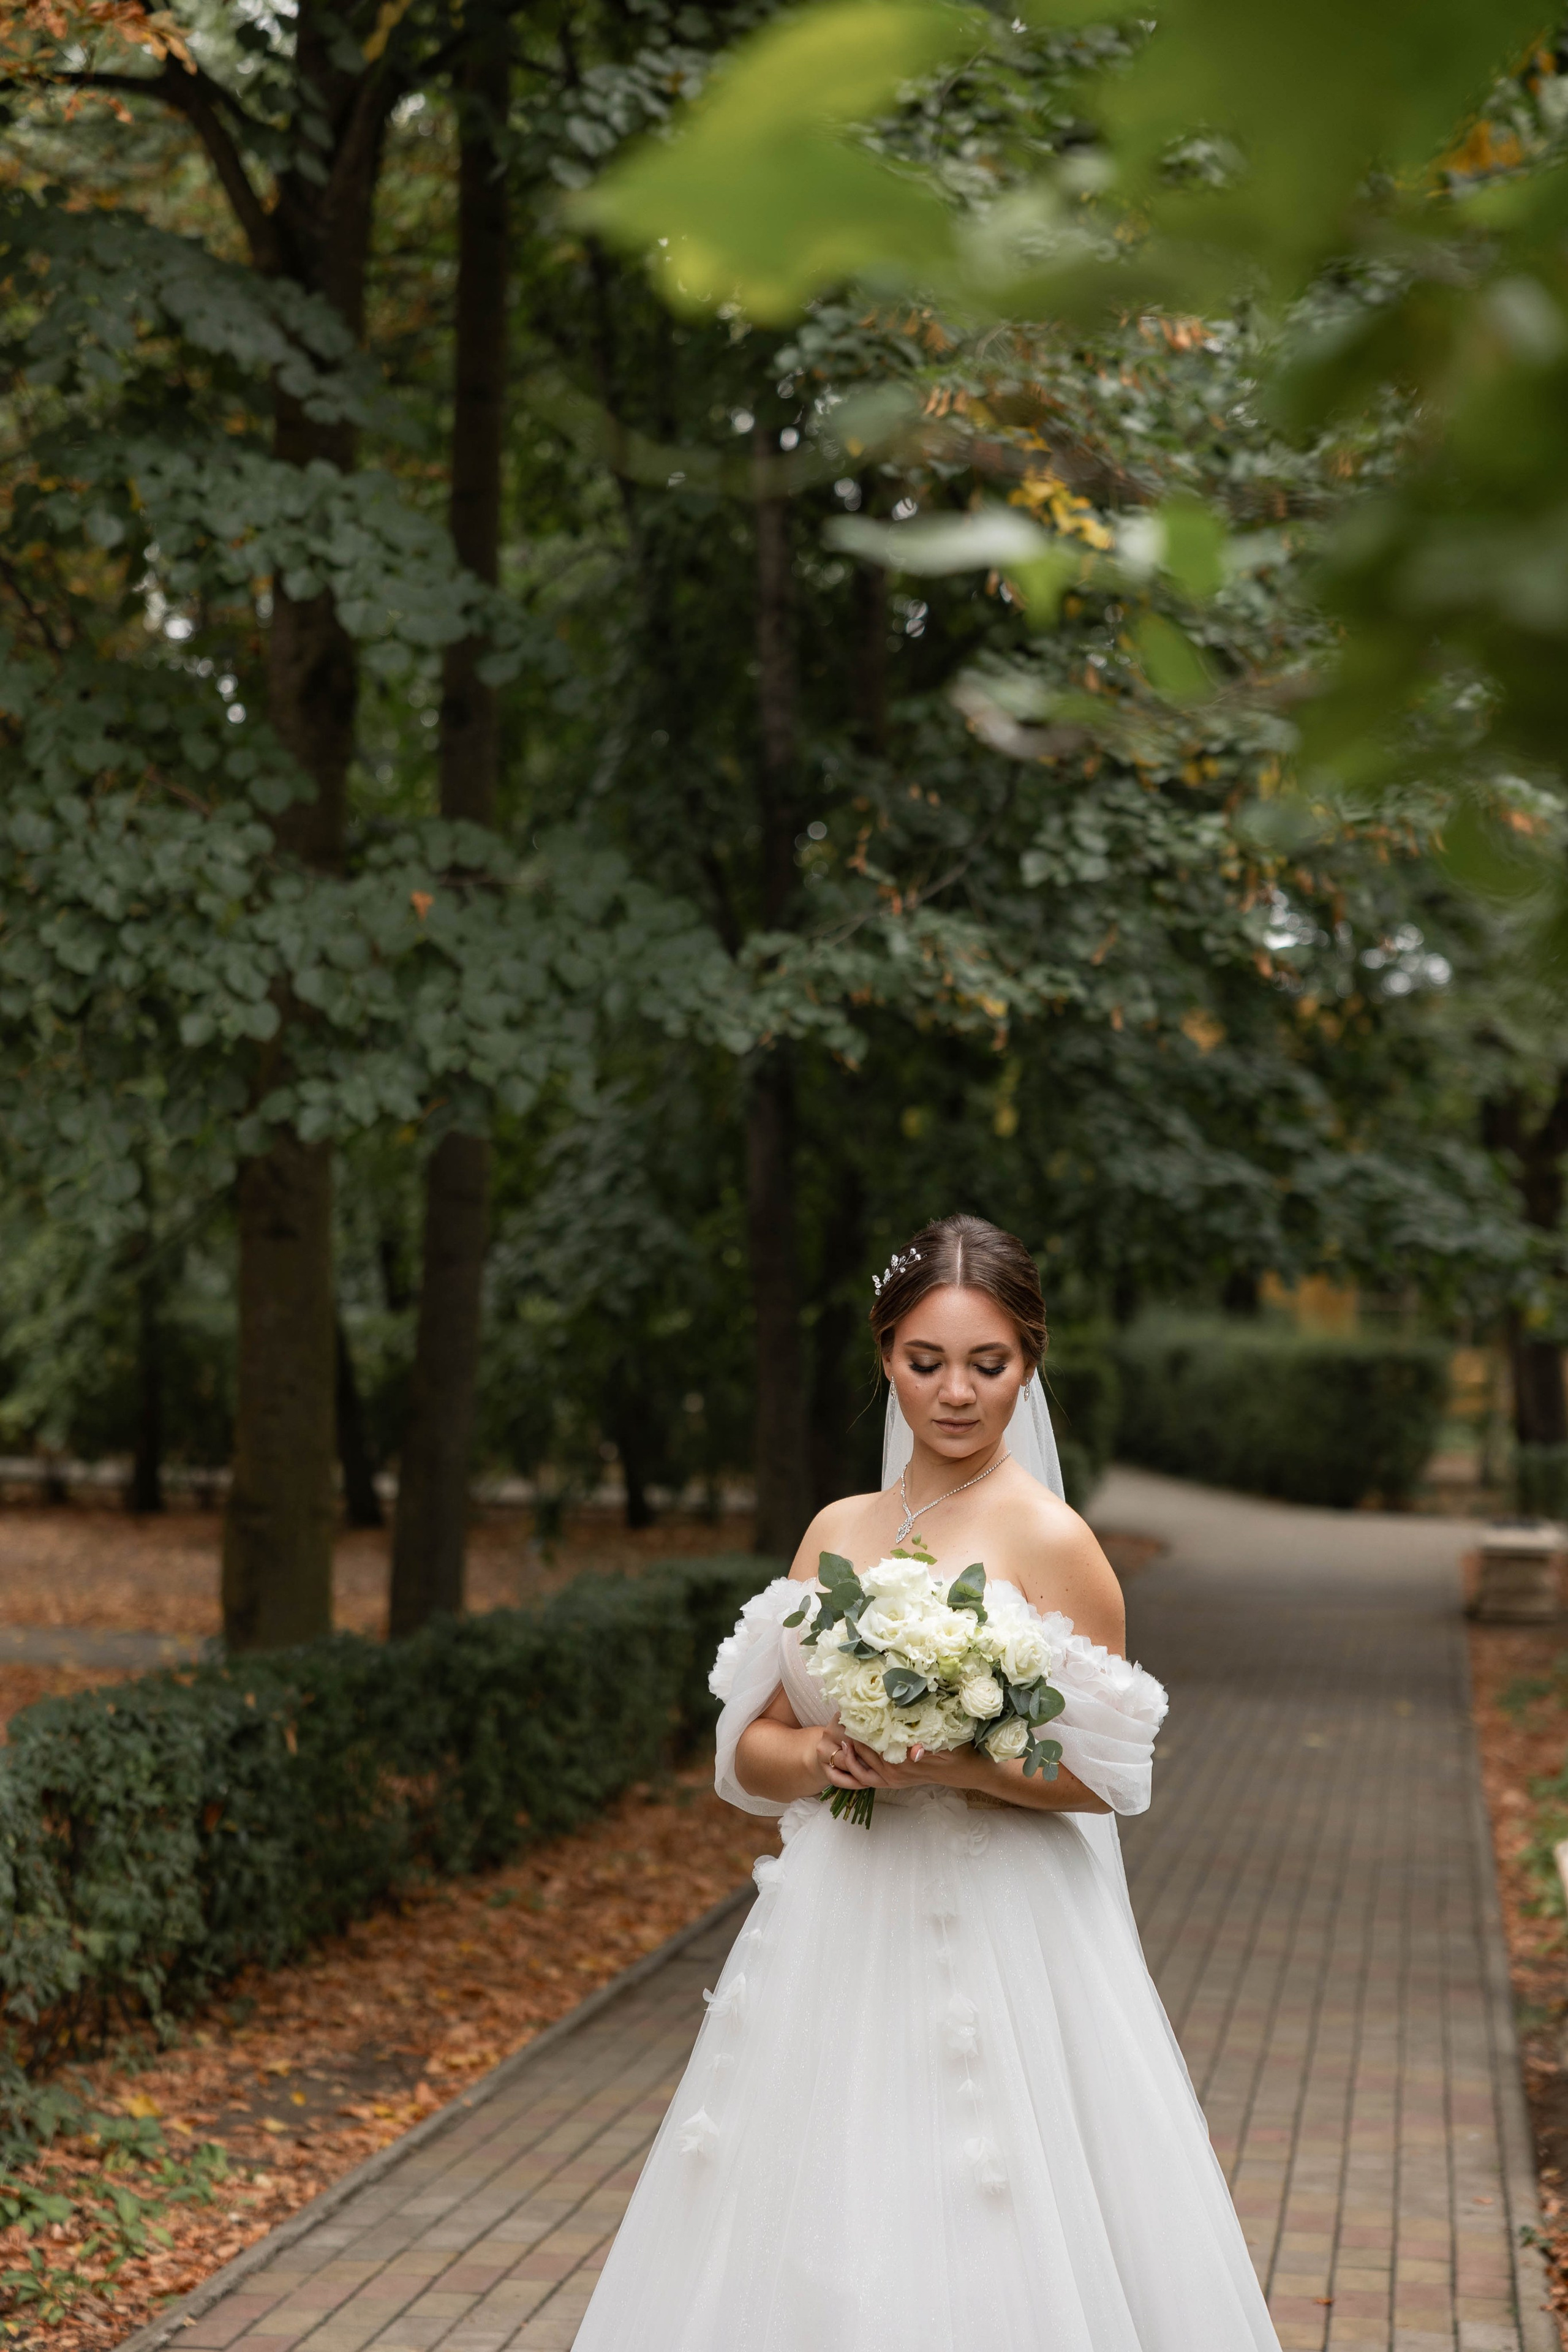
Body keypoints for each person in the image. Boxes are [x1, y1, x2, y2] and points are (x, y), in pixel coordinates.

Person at [572, 1214, 1281, 2352]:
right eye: (927, 1361)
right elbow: (750, 1744)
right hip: (839, 1911)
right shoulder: (835, 1530)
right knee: (815, 2195)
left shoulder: (1054, 1540)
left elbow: (1110, 1776)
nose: (956, 1393)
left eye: (988, 1364)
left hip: (1003, 1924)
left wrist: (959, 1763)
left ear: (1029, 1364)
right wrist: (820, 1757)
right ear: (886, 1358)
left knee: (981, 2192)